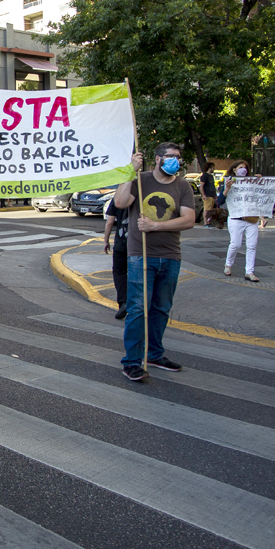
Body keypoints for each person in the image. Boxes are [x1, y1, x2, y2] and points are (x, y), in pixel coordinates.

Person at [111, 143, 195, 382]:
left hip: (170, 255)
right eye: (171, 157)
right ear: (158, 159)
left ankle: (155, 354)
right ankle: (132, 361)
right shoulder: (141, 179)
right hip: (140, 254)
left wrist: (156, 226)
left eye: (178, 158)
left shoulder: (183, 186)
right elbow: (120, 202)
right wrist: (129, 172)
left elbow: (189, 219)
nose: (176, 162)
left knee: (161, 308)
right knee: (138, 308)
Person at [215, 160, 262, 282]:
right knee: (236, 244)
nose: (244, 170)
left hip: (251, 218)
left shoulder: (251, 181)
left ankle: (249, 272)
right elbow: (219, 201)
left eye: (245, 167)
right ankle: (228, 264)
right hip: (236, 218)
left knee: (252, 245)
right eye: (241, 167)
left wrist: (260, 182)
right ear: (234, 169)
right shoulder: (228, 181)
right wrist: (227, 188)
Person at [103, 197, 129, 319]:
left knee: (119, 273)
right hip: (138, 245)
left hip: (121, 243)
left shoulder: (118, 198)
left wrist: (106, 240)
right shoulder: (141, 195)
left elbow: (110, 222)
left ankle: (123, 302)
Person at [199, 162, 217, 227]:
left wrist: (215, 194)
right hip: (207, 195)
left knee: (210, 209)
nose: (214, 169)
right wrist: (203, 194)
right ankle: (206, 222)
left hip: (212, 195)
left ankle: (209, 222)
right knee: (207, 209)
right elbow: (201, 186)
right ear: (209, 168)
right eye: (213, 167)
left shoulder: (211, 176)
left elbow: (213, 186)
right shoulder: (204, 176)